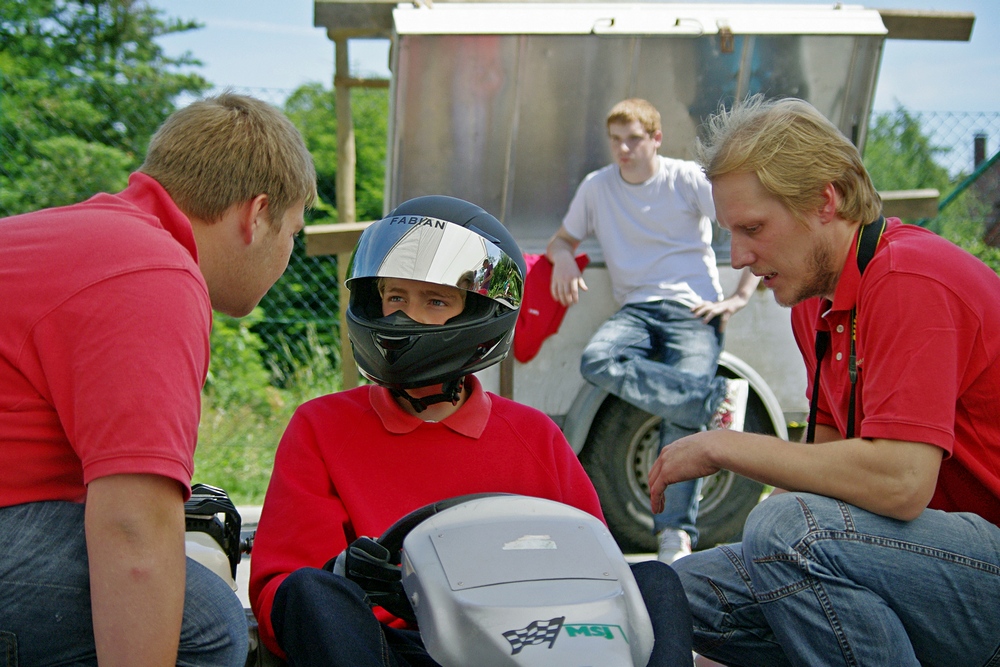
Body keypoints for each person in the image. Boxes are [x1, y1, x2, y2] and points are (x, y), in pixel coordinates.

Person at [249, 195, 694, 666]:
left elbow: (594, 569)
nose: (404, 317)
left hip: (532, 643)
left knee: (657, 583)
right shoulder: (321, 427)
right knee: (310, 589)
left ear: (478, 313)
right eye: (395, 297)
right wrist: (346, 575)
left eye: (434, 301)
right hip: (395, 651)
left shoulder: (534, 436)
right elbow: (283, 592)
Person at [650, 96, 1000, 666]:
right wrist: (762, 566)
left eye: (753, 228)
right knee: (675, 595)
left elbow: (901, 484)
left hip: (983, 569)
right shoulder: (814, 305)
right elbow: (827, 472)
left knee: (786, 530)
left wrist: (725, 445)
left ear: (824, 201)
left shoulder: (911, 279)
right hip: (924, 563)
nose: (737, 256)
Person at [0, 92, 317, 667]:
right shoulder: (154, 272)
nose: (288, 251)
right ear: (256, 214)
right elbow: (131, 530)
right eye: (293, 231)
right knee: (204, 624)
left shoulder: (64, 235)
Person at [546, 98, 759, 563]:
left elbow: (746, 222)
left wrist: (738, 296)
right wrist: (562, 258)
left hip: (692, 311)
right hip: (637, 311)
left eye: (634, 139)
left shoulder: (685, 179)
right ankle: (708, 399)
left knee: (679, 420)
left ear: (656, 139)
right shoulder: (597, 187)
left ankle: (674, 537)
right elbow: (562, 239)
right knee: (598, 359)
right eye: (616, 140)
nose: (623, 149)